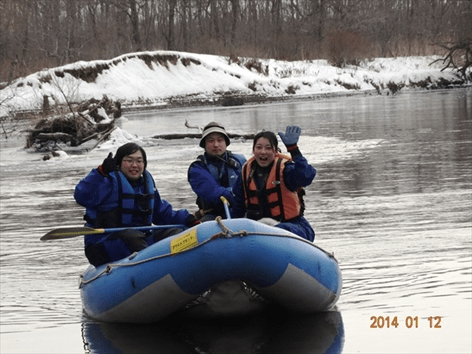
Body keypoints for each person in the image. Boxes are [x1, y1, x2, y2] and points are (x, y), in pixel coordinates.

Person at [74, 142, 200, 267]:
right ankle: (151, 271)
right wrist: (100, 172)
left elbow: (161, 213)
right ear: (118, 163)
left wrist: (186, 218)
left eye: (139, 161)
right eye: (129, 161)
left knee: (176, 232)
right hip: (102, 244)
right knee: (132, 237)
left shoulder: (146, 185)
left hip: (139, 240)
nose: (134, 165)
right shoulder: (107, 181)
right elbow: (81, 196)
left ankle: (183, 268)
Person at [231, 126, 316, 241]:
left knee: (279, 229)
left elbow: (306, 177)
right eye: (259, 147)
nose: (263, 152)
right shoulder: (245, 173)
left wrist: (294, 149)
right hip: (258, 227)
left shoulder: (286, 169)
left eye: (268, 148)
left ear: (276, 151)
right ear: (253, 150)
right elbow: (238, 208)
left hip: (292, 225)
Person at [188, 122, 246, 221]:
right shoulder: (197, 168)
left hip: (243, 212)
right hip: (213, 215)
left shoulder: (240, 161)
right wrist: (238, 195)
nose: (216, 145)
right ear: (204, 145)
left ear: (225, 143)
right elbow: (213, 192)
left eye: (220, 140)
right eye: (211, 141)